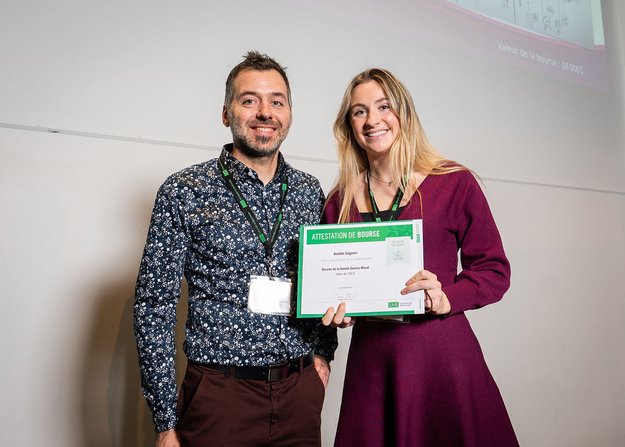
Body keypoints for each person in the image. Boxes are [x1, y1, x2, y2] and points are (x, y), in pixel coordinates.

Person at [134, 51, 337, 447]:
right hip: (220, 397)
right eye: (249, 100)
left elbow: (326, 282)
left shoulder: (310, 191)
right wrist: (164, 422)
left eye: (276, 101)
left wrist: (323, 357)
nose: (265, 112)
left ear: (290, 114)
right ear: (226, 113)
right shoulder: (184, 191)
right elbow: (154, 306)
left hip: (298, 393)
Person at [321, 68, 519, 447]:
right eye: (359, 111)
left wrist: (448, 296)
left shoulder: (454, 182)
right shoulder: (338, 201)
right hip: (373, 365)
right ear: (349, 126)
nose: (372, 120)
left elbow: (494, 270)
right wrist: (335, 312)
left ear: (404, 114)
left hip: (442, 360)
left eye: (383, 106)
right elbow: (332, 287)